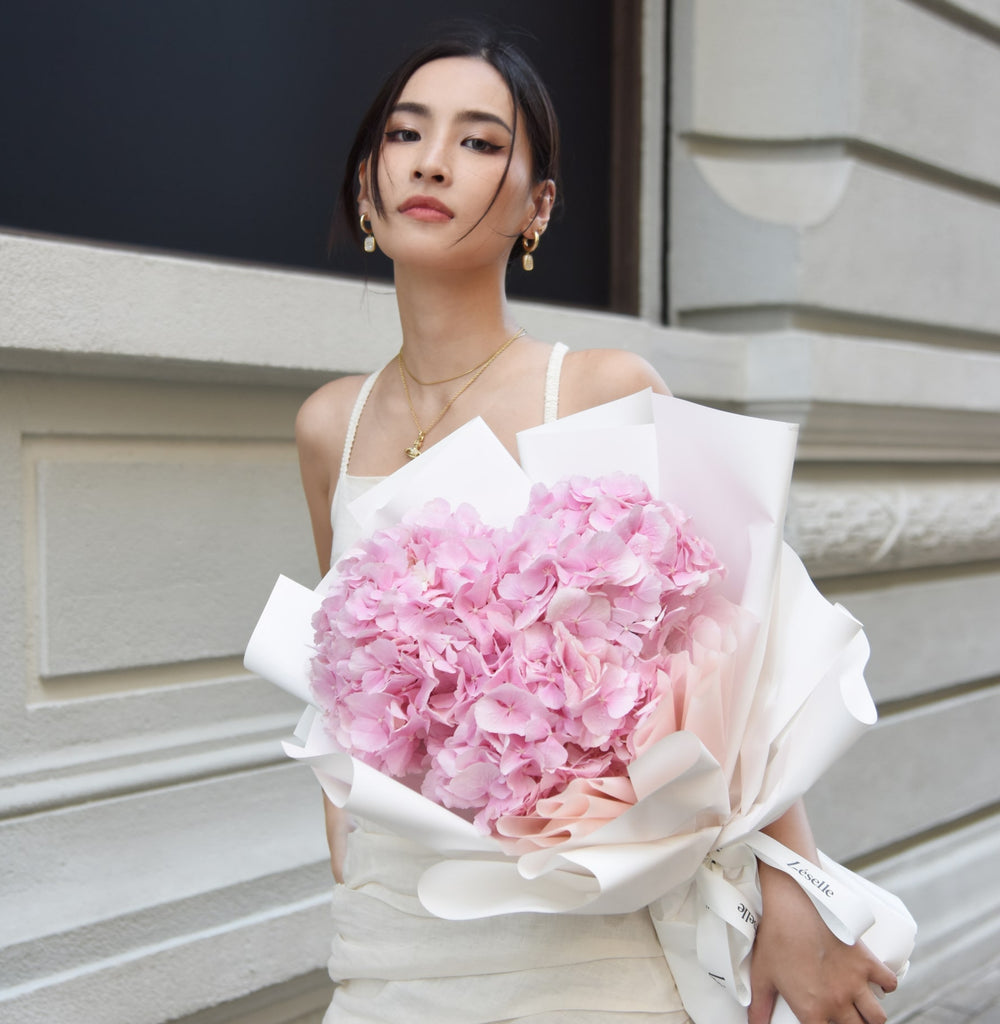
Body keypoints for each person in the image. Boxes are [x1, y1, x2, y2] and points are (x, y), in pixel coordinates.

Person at [294, 29, 898, 1024]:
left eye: (482, 141)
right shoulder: (330, 424)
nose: (433, 160)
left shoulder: (604, 388)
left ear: (539, 206)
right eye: (406, 132)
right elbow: (344, 683)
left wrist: (793, 886)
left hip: (580, 931)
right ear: (368, 186)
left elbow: (743, 673)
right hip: (396, 927)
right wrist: (348, 838)